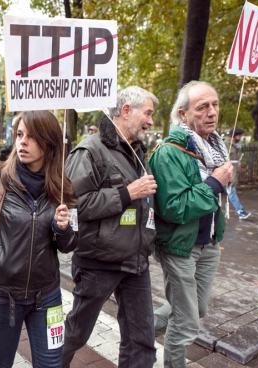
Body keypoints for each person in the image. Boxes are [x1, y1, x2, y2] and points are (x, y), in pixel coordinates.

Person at [0, 110, 77, 368]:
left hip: (47, 297)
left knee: (51, 365)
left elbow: (69, 245)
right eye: (20, 134)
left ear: (49, 142)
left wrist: (64, 228)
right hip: (2, 297)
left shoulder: (62, 187)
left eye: (31, 136)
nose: (22, 142)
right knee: (0, 363)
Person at [62, 86, 159, 367]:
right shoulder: (89, 149)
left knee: (142, 338)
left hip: (136, 261)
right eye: (148, 113)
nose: (151, 121)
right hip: (99, 262)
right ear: (126, 111)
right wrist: (127, 193)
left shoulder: (139, 152)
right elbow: (75, 205)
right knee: (77, 333)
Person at [150, 81, 233, 368]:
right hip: (179, 246)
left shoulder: (214, 147)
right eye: (202, 107)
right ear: (183, 115)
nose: (212, 112)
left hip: (208, 242)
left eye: (215, 104)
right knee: (186, 323)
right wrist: (214, 183)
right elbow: (173, 207)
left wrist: (218, 181)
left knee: (195, 309)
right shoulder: (169, 152)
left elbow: (211, 194)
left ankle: (141, 329)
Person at [225, 127, 251, 219]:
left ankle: (240, 211)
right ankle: (240, 211)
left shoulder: (237, 145)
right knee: (231, 192)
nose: (240, 137)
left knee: (230, 192)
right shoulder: (226, 144)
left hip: (233, 172)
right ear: (234, 136)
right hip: (227, 173)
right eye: (239, 135)